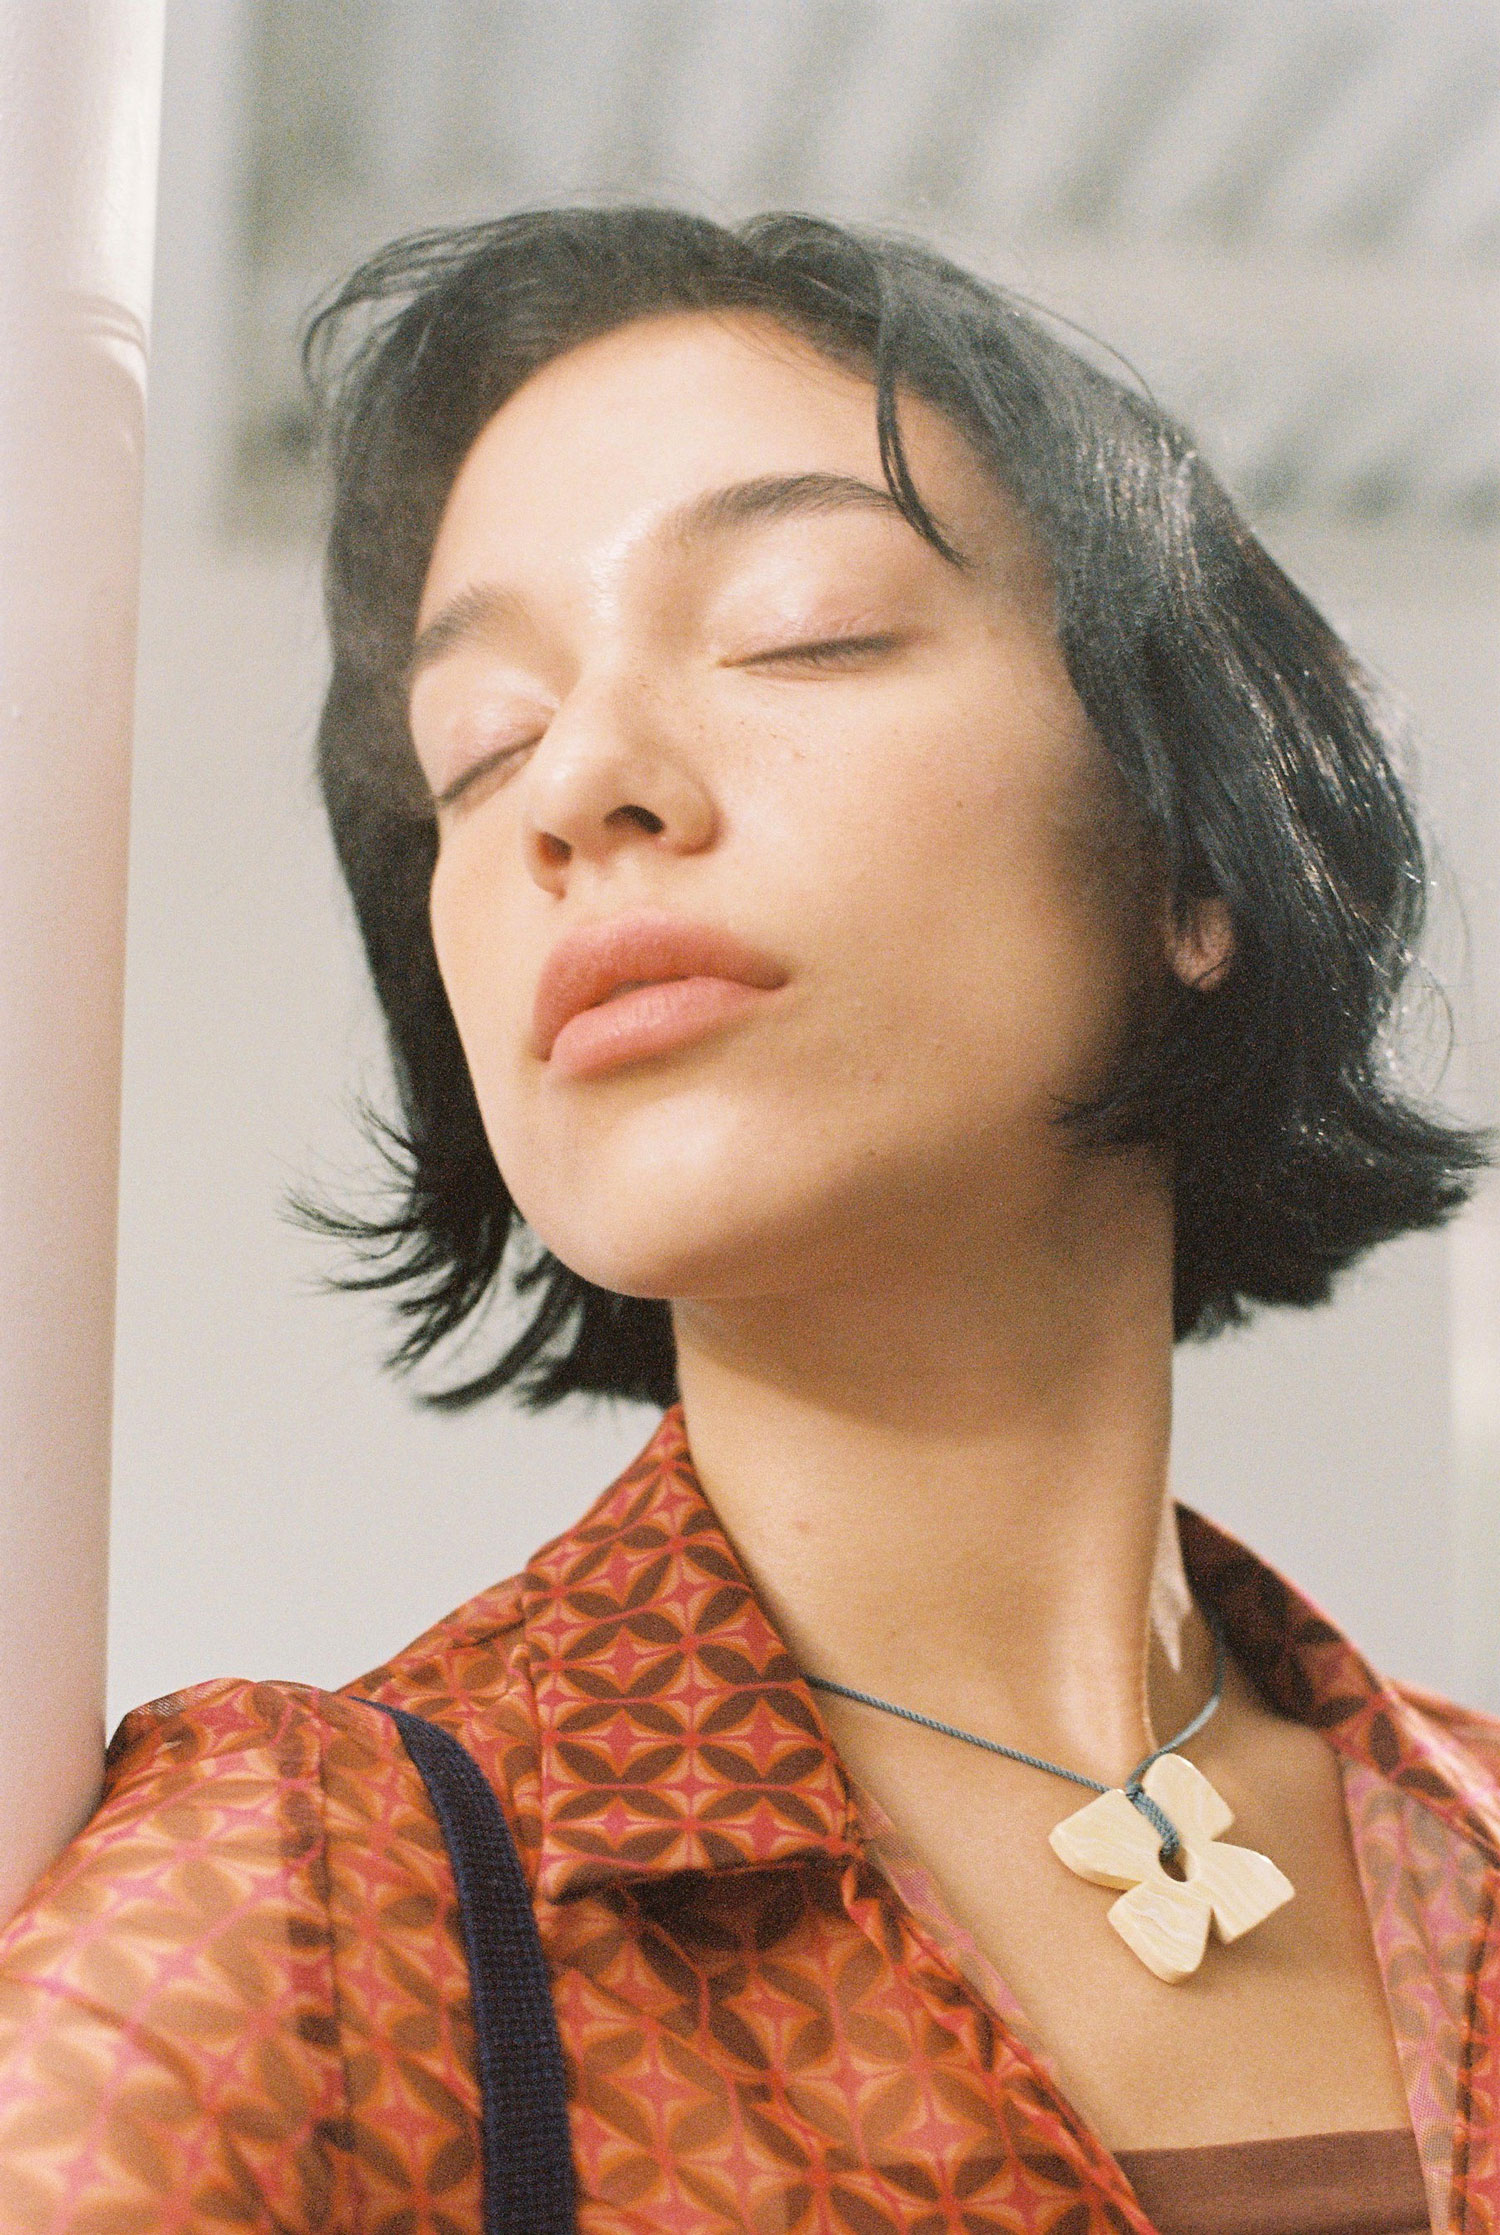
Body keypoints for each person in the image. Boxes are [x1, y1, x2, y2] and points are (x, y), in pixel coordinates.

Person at [0, 206, 1494, 2235]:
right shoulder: (311, 1915)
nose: (576, 786)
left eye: (804, 627)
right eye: (479, 745)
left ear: (1196, 860)